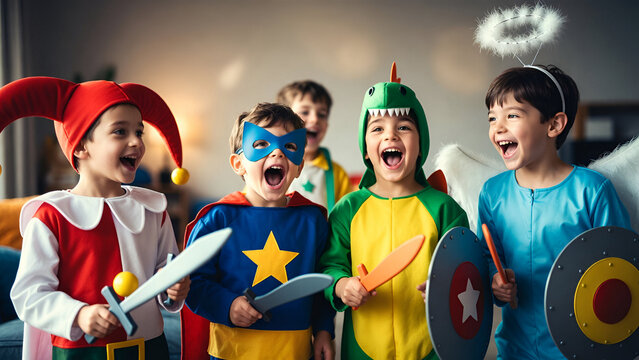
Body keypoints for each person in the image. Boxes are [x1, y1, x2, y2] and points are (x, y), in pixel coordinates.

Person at [3, 77, 191, 359]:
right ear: (80, 147)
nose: (136, 142)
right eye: (120, 131)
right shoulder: (51, 215)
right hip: (83, 352)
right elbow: (29, 295)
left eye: (139, 132)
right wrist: (78, 314)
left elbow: (165, 274)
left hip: (150, 348)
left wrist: (173, 287)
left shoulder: (153, 209)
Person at [478, 65, 633, 359]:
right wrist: (495, 284)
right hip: (514, 351)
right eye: (492, 118)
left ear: (554, 124)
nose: (498, 127)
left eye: (512, 115)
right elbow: (486, 261)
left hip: (583, 351)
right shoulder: (492, 193)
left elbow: (621, 271)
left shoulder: (592, 191)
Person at [319, 64, 468, 359]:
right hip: (363, 348)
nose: (391, 137)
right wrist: (341, 285)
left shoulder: (445, 209)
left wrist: (448, 286)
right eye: (377, 129)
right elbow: (329, 266)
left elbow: (467, 269)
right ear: (365, 149)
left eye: (403, 128)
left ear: (420, 143)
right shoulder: (347, 209)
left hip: (432, 347)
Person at [181, 103, 335, 360]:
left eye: (290, 146)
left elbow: (322, 284)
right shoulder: (218, 218)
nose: (277, 154)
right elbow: (192, 282)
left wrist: (323, 331)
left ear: (298, 166)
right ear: (238, 163)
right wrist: (227, 305)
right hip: (233, 352)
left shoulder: (312, 220)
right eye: (262, 144)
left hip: (294, 352)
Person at [277, 80, 351, 211]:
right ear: (282, 123)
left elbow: (346, 218)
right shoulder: (271, 164)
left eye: (322, 114)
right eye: (305, 112)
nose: (315, 119)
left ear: (327, 125)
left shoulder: (338, 174)